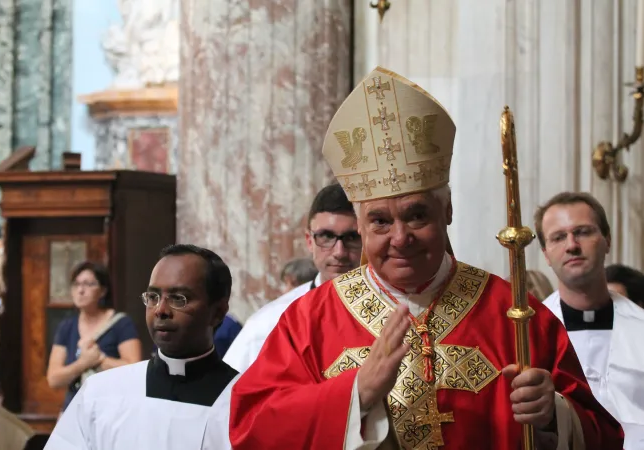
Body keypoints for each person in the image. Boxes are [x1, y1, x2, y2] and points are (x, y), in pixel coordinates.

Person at [229, 67, 623, 449]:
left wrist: (554, 416)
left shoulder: (514, 313)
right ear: (361, 226)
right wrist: (356, 394)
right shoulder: (309, 321)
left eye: (416, 215)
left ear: (447, 210)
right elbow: (253, 429)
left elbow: (604, 436)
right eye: (380, 221)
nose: (400, 238)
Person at [45, 244, 238, 449]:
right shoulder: (100, 392)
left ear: (218, 312)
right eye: (153, 297)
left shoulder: (243, 402)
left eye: (178, 299)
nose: (160, 310)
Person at [536, 192, 644, 448]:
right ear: (546, 254)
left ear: (607, 240)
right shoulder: (532, 332)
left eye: (583, 232)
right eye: (558, 237)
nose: (572, 245)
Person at [223, 183, 362, 372]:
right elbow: (233, 395)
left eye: (352, 238)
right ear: (309, 241)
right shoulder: (269, 323)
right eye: (326, 237)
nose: (339, 252)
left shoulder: (398, 311)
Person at [46, 261, 141, 411]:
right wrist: (82, 363)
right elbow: (54, 378)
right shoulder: (66, 327)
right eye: (76, 284)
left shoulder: (121, 324)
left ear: (103, 291)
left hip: (111, 411)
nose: (81, 290)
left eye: (88, 284)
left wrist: (100, 359)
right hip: (74, 410)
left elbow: (134, 370)